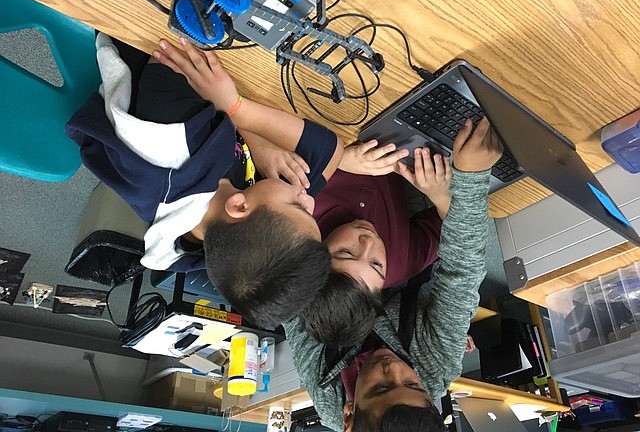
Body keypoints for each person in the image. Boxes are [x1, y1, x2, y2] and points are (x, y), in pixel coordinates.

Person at [66, 33, 343, 327]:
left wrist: (237, 110)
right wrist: (254, 138)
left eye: (299, 208)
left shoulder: (171, 141)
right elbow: (330, 150)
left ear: (239, 207)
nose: (309, 198)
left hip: (137, 36)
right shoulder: (233, 235)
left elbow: (179, 39)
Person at [284, 117, 503, 431]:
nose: (392, 368)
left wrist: (333, 163)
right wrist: (470, 178)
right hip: (409, 257)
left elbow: (292, 288)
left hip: (333, 243)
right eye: (412, 384)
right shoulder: (436, 368)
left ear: (349, 415)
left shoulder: (325, 386)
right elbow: (462, 273)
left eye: (380, 387)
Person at [300, 141, 453, 347]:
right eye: (376, 264)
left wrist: (340, 157)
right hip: (398, 141)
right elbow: (455, 229)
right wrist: (440, 195)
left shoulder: (298, 215)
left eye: (346, 252)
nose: (368, 242)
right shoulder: (398, 265)